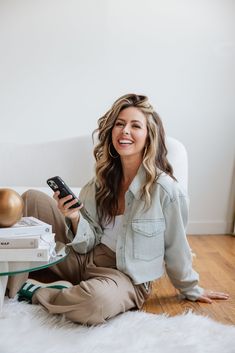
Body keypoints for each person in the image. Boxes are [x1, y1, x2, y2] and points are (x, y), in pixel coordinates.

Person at [17, 93, 229, 325]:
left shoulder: (166, 190)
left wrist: (191, 288)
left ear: (149, 136)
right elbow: (87, 241)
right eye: (120, 124)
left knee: (94, 303)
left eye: (135, 125)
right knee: (31, 199)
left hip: (125, 276)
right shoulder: (100, 182)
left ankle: (41, 292)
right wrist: (75, 217)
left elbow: (176, 246)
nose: (125, 131)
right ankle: (60, 283)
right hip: (85, 258)